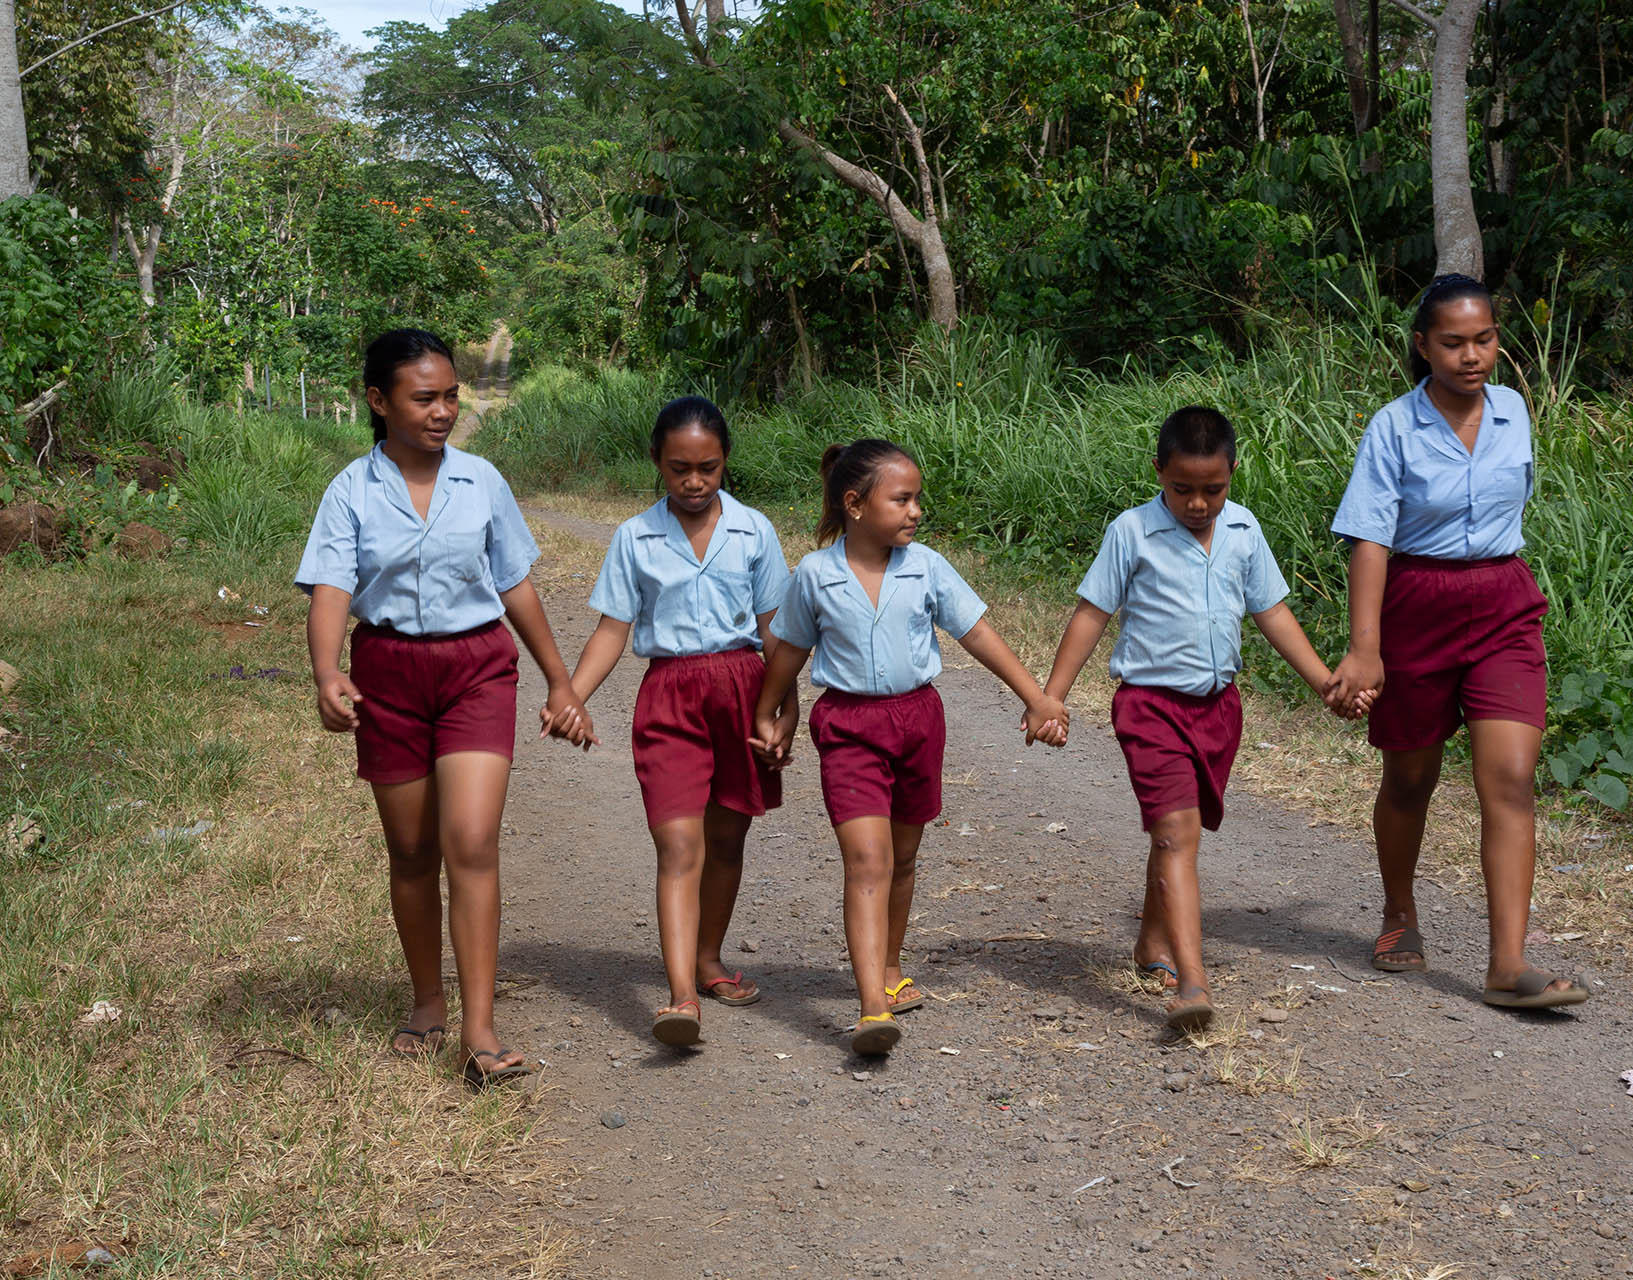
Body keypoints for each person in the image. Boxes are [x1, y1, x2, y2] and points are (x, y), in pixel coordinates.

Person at [298, 327, 596, 1088]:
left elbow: (515, 584)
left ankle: (479, 1028)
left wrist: (561, 681)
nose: (442, 411)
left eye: (451, 395)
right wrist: (327, 670)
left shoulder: (482, 482)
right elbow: (332, 586)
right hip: (389, 672)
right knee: (411, 852)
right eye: (423, 397)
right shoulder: (351, 491)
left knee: (471, 840)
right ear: (378, 400)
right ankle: (427, 1003)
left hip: (476, 669)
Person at [1041, 406, 1365, 1034]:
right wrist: (1051, 697)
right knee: (1175, 835)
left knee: (1178, 833)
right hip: (1149, 706)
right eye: (1182, 488)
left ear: (1233, 474)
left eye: (1212, 489)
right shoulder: (1131, 532)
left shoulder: (1244, 530)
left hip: (1219, 710)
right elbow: (1091, 614)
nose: (1197, 503)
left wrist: (1326, 682)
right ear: (1158, 471)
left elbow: (1272, 613)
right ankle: (1192, 983)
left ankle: (1150, 944)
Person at [1322, 274, 1589, 1009]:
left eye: (1484, 340)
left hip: (1503, 603)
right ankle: (1399, 914)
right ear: (1421, 346)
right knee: (1410, 779)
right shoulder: (1393, 428)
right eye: (1453, 342)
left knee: (1508, 778)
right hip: (1417, 604)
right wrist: (1365, 647)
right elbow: (1371, 541)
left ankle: (1508, 963)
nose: (1472, 356)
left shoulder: (1513, 411)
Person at [752, 439, 1069, 1056]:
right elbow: (787, 651)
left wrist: (1037, 698)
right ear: (855, 504)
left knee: (901, 858)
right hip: (848, 725)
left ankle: (890, 970)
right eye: (902, 498)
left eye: (916, 498)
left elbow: (978, 633)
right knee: (866, 861)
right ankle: (873, 1008)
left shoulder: (927, 566)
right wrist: (770, 712)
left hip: (918, 720)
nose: (915, 509)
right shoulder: (815, 575)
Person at [565, 396, 796, 1047]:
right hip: (669, 698)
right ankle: (681, 997)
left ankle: (708, 958)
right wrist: (571, 695)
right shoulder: (634, 538)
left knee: (727, 839)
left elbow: (776, 631)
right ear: (656, 464)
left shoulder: (754, 531)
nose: (694, 482)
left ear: (725, 463)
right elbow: (614, 629)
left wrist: (786, 710)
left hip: (744, 694)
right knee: (679, 845)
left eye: (708, 468)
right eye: (679, 469)